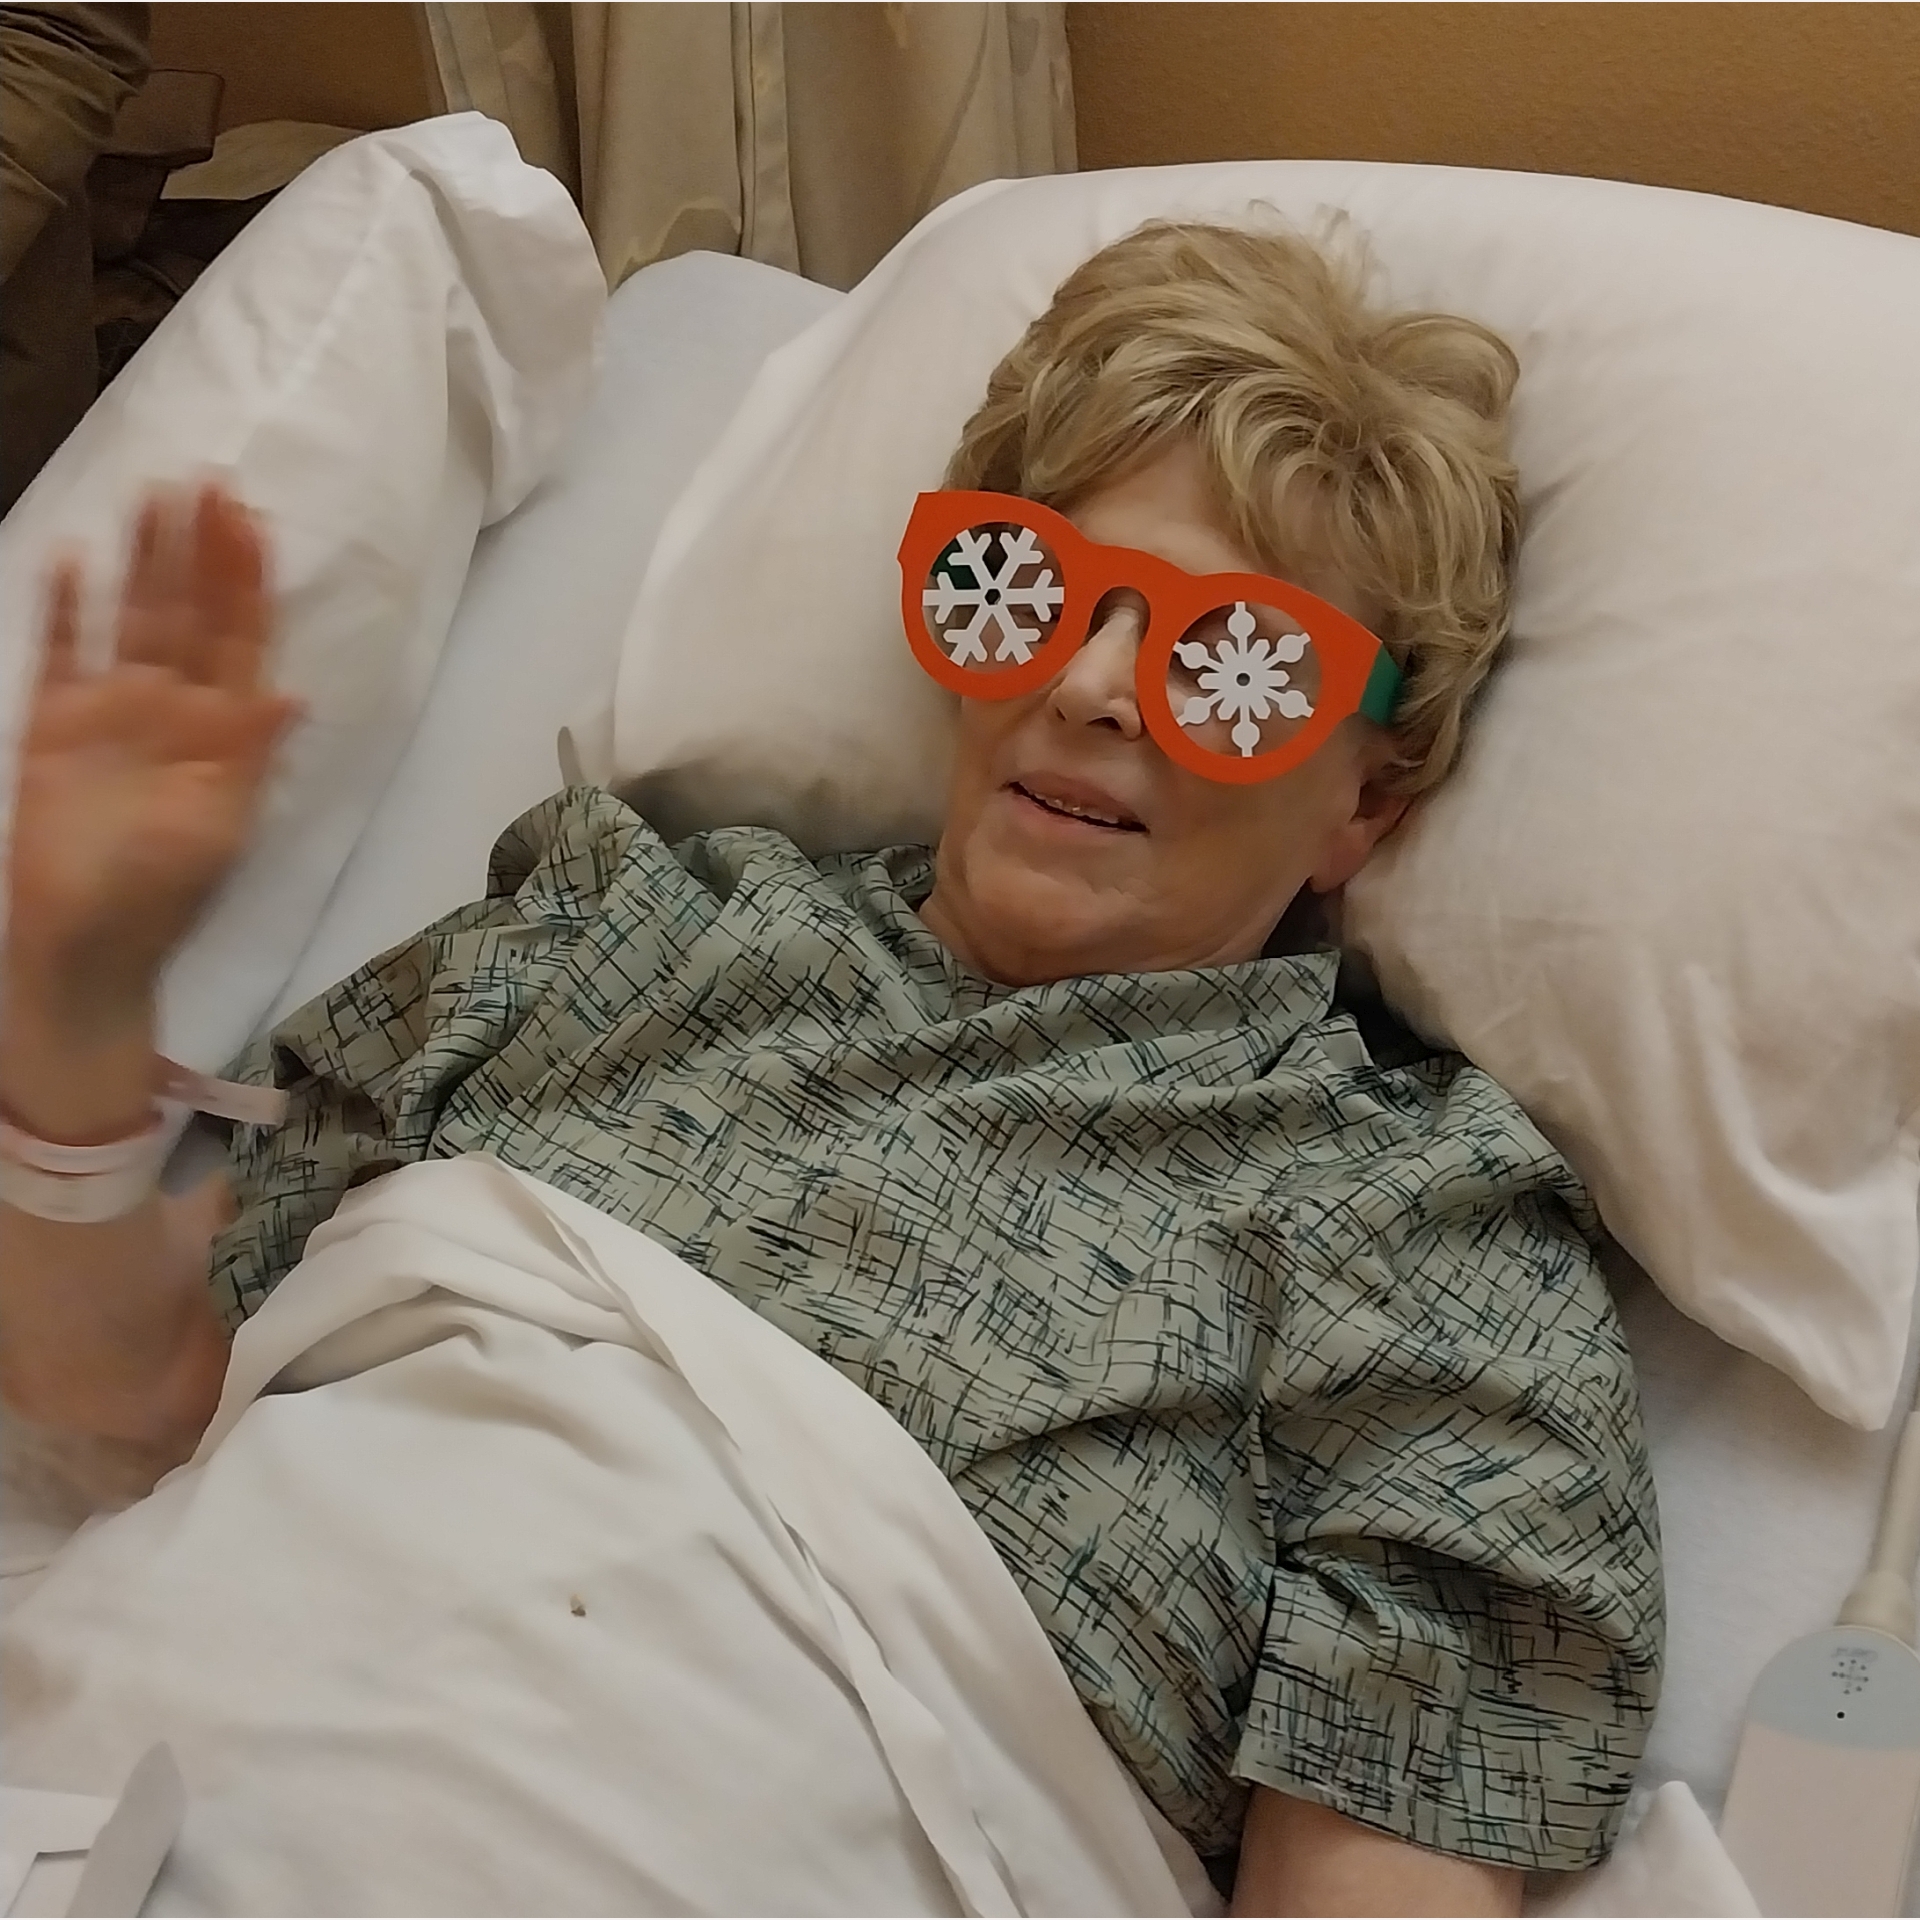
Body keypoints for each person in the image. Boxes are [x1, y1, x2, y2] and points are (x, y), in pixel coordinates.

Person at [0, 220, 1661, 1915]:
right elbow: (132, 1409)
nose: (1092, 687)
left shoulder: (1420, 1234)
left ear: (1366, 800)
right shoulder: (612, 929)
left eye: (1233, 663)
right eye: (1026, 592)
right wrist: (70, 997)